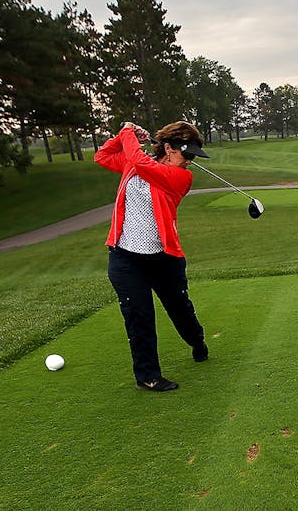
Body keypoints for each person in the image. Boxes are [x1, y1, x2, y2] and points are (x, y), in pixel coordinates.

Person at [94, 120, 210, 392]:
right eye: (187, 154)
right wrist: (125, 139)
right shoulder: (137, 162)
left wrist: (128, 133)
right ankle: (148, 375)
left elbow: (143, 164)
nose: (190, 161)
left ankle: (197, 340)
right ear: (168, 148)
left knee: (181, 311)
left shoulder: (181, 177)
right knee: (139, 316)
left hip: (163, 259)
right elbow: (102, 156)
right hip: (125, 257)